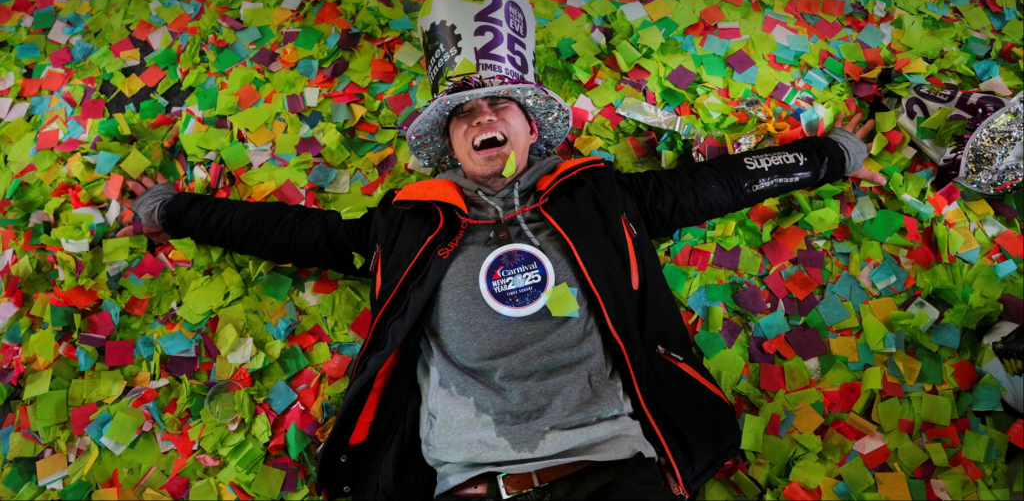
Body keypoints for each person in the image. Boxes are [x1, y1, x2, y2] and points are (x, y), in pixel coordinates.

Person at [124, 76, 883, 500]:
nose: (483, 115)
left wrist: (834, 154)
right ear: (450, 147)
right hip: (469, 488)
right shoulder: (406, 226)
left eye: (500, 106)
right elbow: (292, 234)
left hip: (614, 476)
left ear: (530, 132)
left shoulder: (602, 200)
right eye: (464, 116)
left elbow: (720, 181)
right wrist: (172, 209)